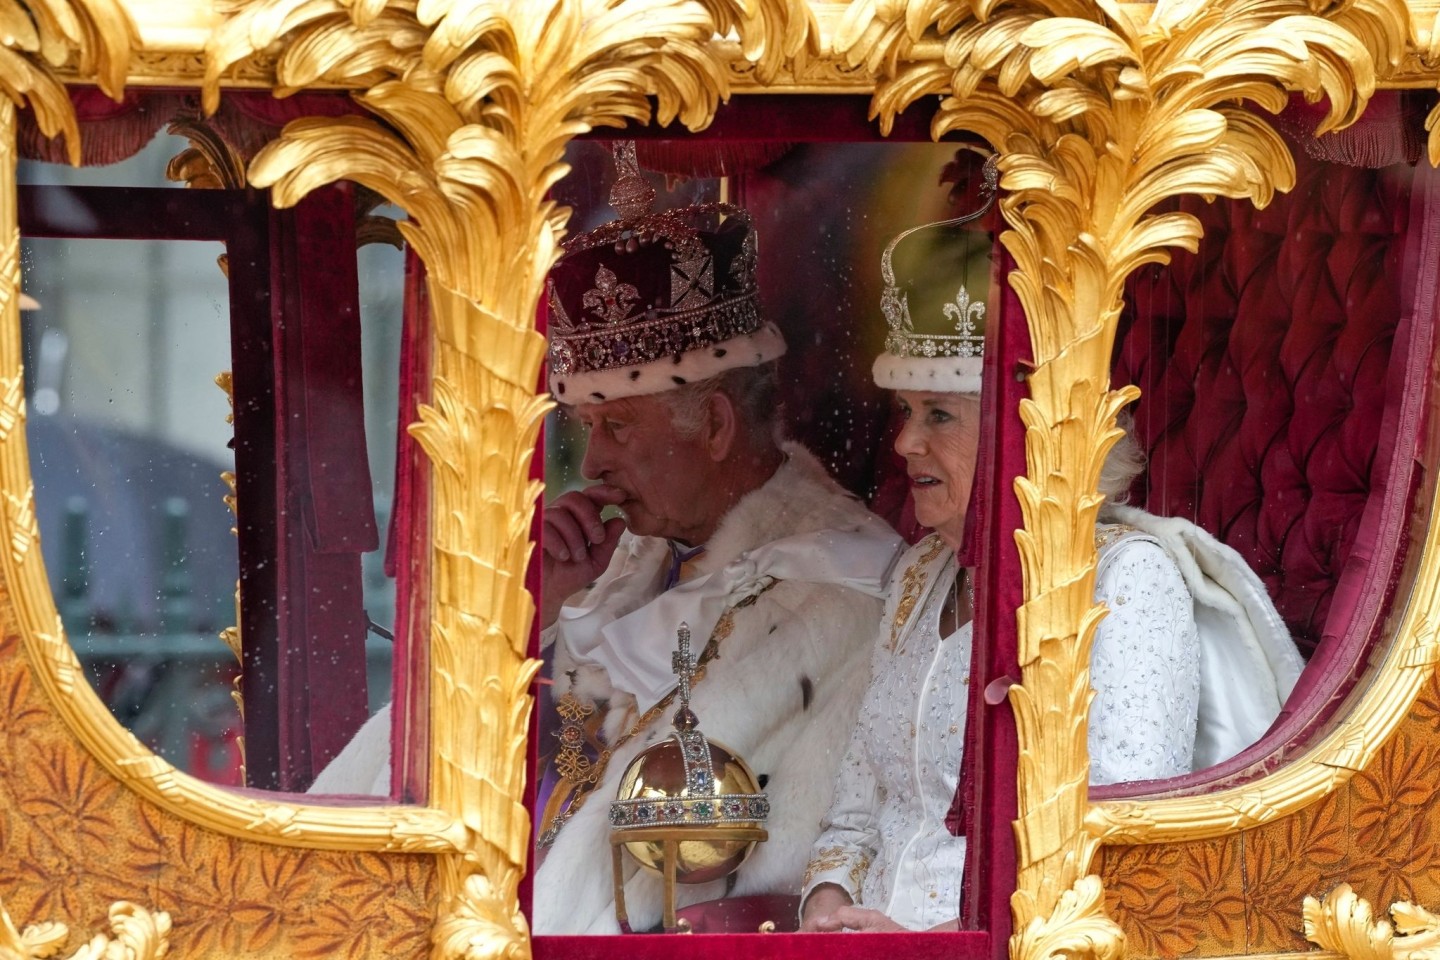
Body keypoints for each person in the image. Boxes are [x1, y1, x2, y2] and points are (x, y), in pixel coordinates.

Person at [798, 178, 1305, 933]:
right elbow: (852, 821)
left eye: (938, 414)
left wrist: (924, 947)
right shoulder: (915, 576)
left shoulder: (1126, 579)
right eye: (905, 412)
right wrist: (827, 910)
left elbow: (1118, 859)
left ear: (1024, 429)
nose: (905, 442)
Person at [530, 145, 905, 935]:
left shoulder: (843, 591)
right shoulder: (639, 557)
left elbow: (759, 873)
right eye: (589, 429)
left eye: (619, 428)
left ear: (717, 426)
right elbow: (558, 763)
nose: (593, 463)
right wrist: (547, 619)